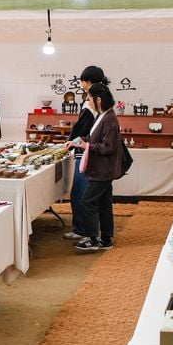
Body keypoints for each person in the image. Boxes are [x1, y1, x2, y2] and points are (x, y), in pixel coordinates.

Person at [65, 83, 122, 251]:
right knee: (104, 204)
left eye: (89, 99)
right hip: (102, 169)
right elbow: (92, 138)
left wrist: (87, 146)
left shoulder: (109, 119)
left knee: (87, 201)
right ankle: (106, 239)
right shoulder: (103, 116)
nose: (88, 102)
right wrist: (76, 141)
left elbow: (108, 147)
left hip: (102, 170)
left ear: (98, 100)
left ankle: (92, 238)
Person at [64, 66, 110, 240]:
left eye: (82, 80)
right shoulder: (103, 99)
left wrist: (70, 143)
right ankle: (93, 231)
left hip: (86, 152)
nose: (81, 83)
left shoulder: (91, 103)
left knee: (80, 193)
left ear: (88, 81)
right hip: (93, 151)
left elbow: (82, 129)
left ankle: (83, 230)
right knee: (93, 196)